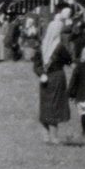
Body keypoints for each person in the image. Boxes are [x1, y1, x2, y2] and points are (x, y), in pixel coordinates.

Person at [33, 11, 72, 144]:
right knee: (55, 106)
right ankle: (54, 137)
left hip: (45, 79)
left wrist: (41, 74)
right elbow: (69, 60)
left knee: (45, 106)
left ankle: (45, 135)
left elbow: (36, 65)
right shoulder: (60, 47)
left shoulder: (41, 47)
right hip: (57, 78)